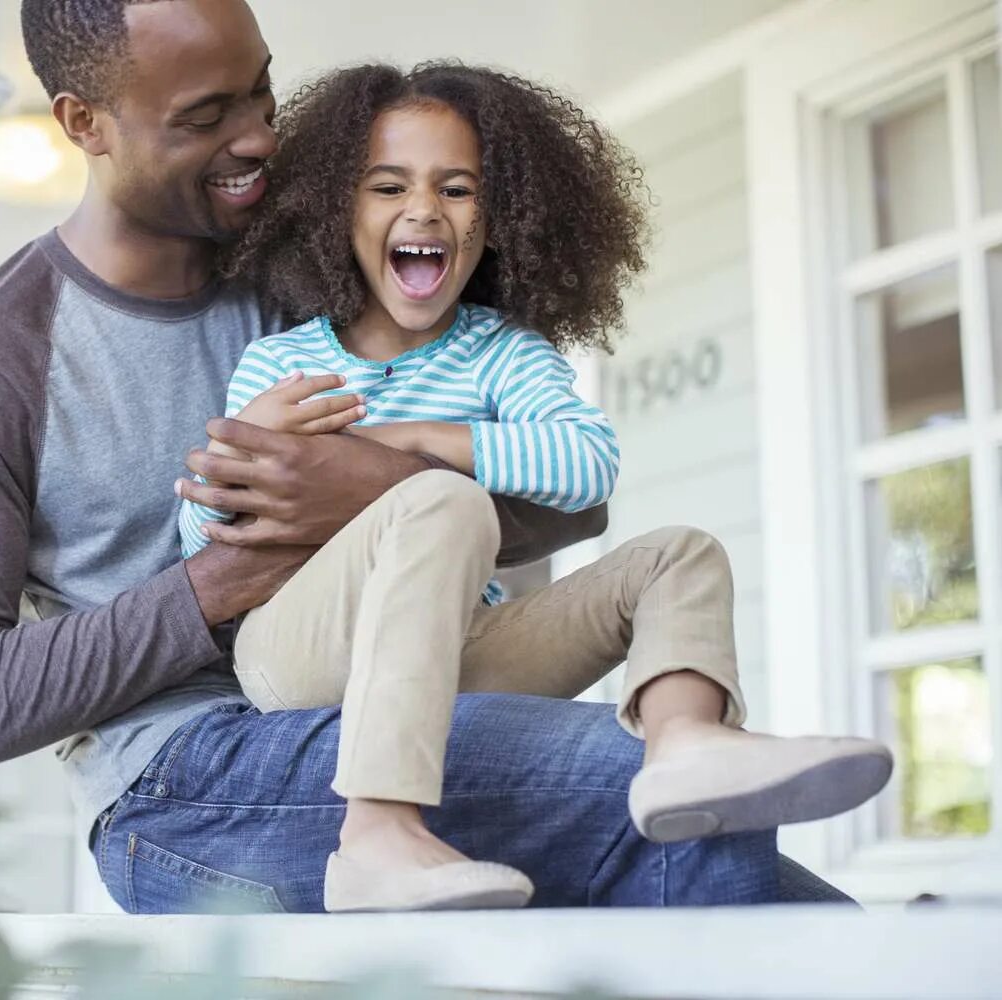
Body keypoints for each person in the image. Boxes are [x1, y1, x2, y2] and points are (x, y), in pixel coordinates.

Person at [0, 0, 857, 912]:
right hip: (177, 783)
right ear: (84, 122)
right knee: (639, 788)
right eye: (209, 113)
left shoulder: (316, 269)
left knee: (692, 797)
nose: (260, 136)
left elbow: (571, 501)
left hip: (404, 686)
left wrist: (387, 475)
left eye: (261, 88)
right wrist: (224, 576)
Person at [175, 62, 892, 913]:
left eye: (459, 188)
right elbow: (201, 553)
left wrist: (415, 439)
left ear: (500, 215)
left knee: (679, 554)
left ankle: (686, 742)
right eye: (387, 186)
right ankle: (376, 836)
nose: (424, 210)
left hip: (457, 647)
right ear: (338, 209)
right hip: (302, 649)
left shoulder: (503, 354)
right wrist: (241, 457)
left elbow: (586, 463)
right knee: (444, 500)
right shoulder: (285, 362)